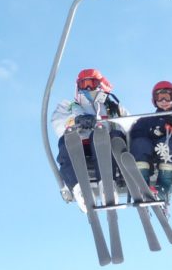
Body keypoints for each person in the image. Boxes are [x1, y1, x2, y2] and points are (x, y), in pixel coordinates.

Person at [50, 68, 127, 208]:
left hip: (104, 146)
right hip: (79, 146)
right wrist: (76, 120)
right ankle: (80, 190)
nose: (88, 88)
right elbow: (57, 123)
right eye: (83, 84)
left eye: (92, 83)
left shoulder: (112, 107)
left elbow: (130, 125)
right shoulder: (69, 106)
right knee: (64, 142)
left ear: (100, 84)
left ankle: (107, 185)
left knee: (99, 135)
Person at [129, 80, 172, 203]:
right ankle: (142, 183)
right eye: (160, 98)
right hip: (148, 150)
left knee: (169, 144)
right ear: (154, 100)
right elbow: (137, 133)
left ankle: (163, 187)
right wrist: (152, 132)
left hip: (168, 150)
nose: (163, 101)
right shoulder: (146, 120)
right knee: (139, 144)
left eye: (167, 97)